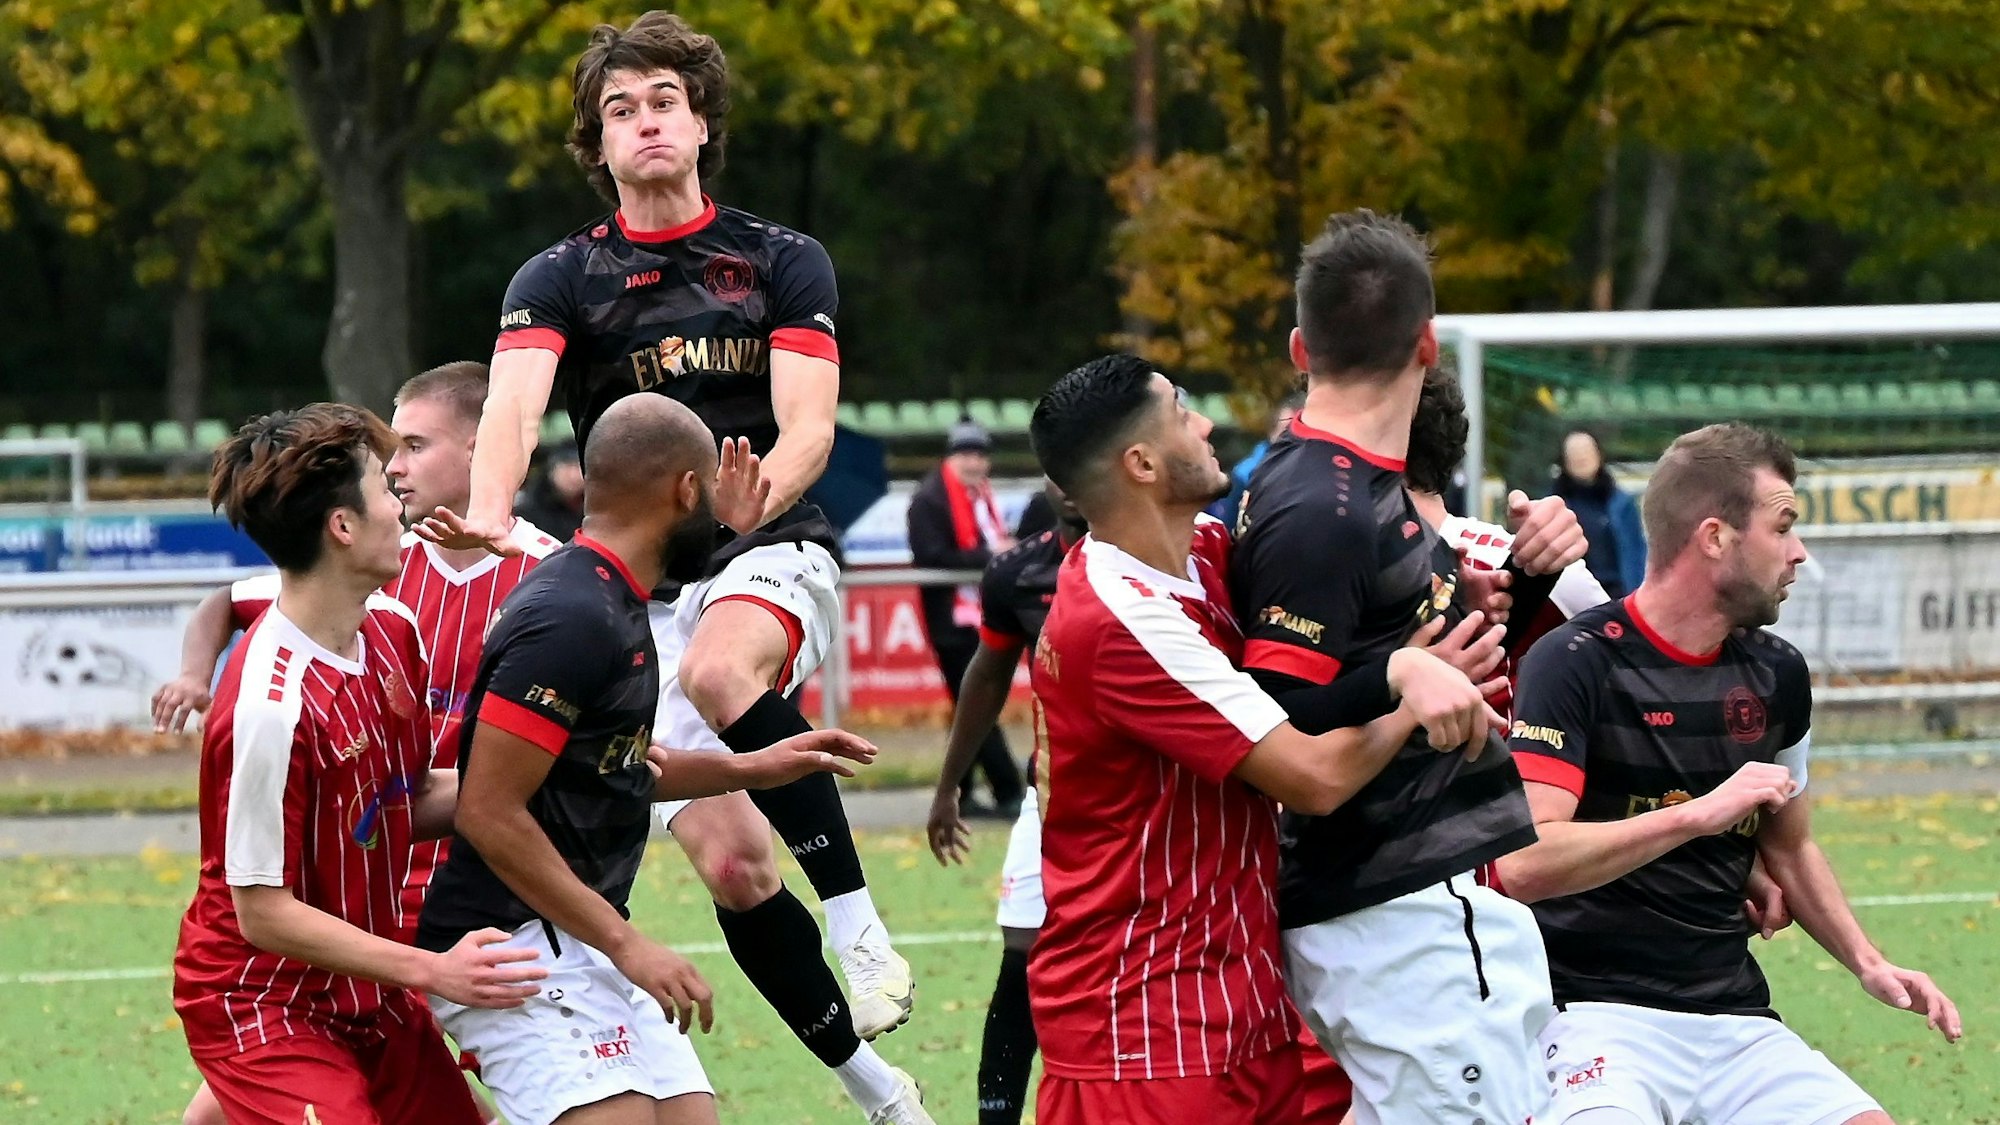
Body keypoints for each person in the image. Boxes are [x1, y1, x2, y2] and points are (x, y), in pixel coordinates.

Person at [418, 12, 923, 1102]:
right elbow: (511, 408)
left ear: (700, 125)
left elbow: (810, 427)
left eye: (664, 102)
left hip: (768, 542)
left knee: (718, 671)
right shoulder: (559, 274)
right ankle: (878, 1090)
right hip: (644, 593)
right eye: (620, 109)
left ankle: (860, 926)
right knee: (733, 866)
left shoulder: (781, 258)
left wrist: (754, 504)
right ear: (596, 143)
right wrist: (491, 512)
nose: (644, 121)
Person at [1024, 354, 1494, 1124]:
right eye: (1182, 411)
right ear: (1142, 464)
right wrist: (1410, 687)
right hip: (1145, 1037)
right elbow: (1312, 776)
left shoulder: (1205, 550)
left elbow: (1350, 590)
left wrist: (1484, 571)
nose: (1206, 423)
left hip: (1242, 1006)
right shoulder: (1120, 619)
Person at [418, 393, 897, 1125]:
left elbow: (615, 765)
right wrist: (628, 945)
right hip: (510, 938)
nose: (726, 523)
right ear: (687, 490)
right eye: (716, 496)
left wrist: (754, 768)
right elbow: (487, 811)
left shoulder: (617, 601)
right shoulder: (572, 617)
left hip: (581, 931)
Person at [1497, 423, 1961, 1125]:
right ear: (1715, 537)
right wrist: (1696, 814)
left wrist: (1868, 961)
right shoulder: (1574, 660)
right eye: (1784, 526)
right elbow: (1526, 862)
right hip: (1591, 1015)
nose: (1799, 552)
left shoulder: (1778, 673)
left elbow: (1790, 846)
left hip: (1734, 1018)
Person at [1231, 210, 1585, 1125]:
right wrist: (1398, 673)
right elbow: (1274, 714)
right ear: (1428, 343)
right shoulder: (1322, 504)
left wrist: (1521, 584)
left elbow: (1420, 660)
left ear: (1300, 348)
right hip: (1397, 915)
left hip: (1419, 902)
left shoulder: (1365, 483)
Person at [161, 363, 556, 1125]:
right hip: (262, 997)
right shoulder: (269, 708)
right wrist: (434, 968)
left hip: (366, 988)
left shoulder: (393, 630)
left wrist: (575, 772)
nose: (399, 499)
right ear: (341, 527)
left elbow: (415, 795)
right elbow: (263, 912)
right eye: (382, 485)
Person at [924, 478, 1082, 1125]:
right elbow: (987, 676)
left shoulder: (1170, 557)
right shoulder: (1020, 573)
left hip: (1150, 808)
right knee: (1022, 949)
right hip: (1052, 798)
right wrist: (949, 784)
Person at [907, 419, 1026, 817]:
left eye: (981, 455)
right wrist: (990, 556)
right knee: (978, 705)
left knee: (969, 705)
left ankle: (962, 793)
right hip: (952, 622)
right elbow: (931, 555)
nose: (975, 463)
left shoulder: (980, 496)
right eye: (967, 455)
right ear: (951, 458)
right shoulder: (929, 499)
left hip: (981, 615)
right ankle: (1008, 791)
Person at [1551, 429, 1646, 597]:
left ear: (1599, 455)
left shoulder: (1622, 503)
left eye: (1586, 450)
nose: (1581, 457)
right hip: (1575, 596)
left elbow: (1637, 554)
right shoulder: (1554, 506)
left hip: (1619, 594)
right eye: (1574, 452)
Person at [1206, 389, 1304, 523]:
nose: (1291, 437)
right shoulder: (1247, 474)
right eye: (1285, 430)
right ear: (1272, 432)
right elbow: (1230, 524)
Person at [517, 440, 585, 542]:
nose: (573, 476)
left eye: (578, 467)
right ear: (552, 468)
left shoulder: (597, 508)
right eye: (567, 466)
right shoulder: (528, 510)